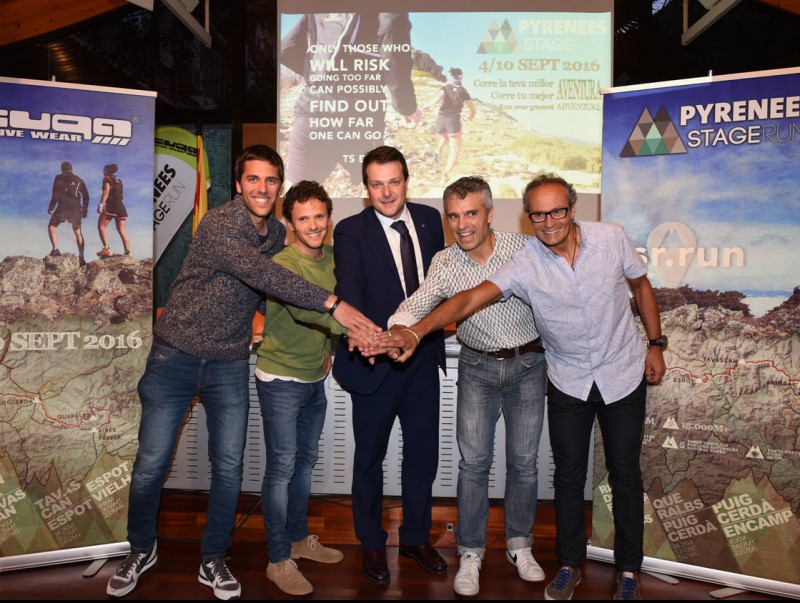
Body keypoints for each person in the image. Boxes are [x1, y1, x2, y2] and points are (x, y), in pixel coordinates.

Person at [105, 145, 379, 601]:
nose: (262, 188)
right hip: (176, 355)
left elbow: (275, 290)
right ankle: (140, 549)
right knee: (151, 465)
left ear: (280, 186)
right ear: (238, 184)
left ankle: (213, 558)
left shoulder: (275, 234)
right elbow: (264, 276)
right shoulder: (218, 224)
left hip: (229, 361)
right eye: (253, 179)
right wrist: (334, 306)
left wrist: (324, 337)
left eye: (271, 180)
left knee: (229, 468)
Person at [376, 173, 667, 601]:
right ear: (528, 217)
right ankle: (533, 561)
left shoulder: (596, 240)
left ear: (571, 209)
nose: (549, 221)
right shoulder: (515, 260)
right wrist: (411, 331)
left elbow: (640, 284)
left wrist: (656, 344)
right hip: (537, 374)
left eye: (557, 211)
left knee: (602, 471)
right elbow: (466, 300)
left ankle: (611, 568)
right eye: (539, 214)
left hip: (590, 370)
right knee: (540, 474)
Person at [386, 176, 546, 596]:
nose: (462, 224)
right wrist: (394, 331)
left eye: (471, 213)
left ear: (490, 214)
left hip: (528, 365)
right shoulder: (445, 262)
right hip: (476, 367)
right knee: (473, 464)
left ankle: (519, 545)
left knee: (524, 463)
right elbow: (417, 304)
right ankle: (471, 552)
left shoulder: (523, 249)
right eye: (454, 216)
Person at [332, 145, 447, 585]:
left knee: (422, 456)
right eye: (376, 184)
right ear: (366, 188)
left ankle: (417, 539)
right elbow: (352, 289)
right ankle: (373, 545)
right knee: (370, 460)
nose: (386, 192)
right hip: (375, 362)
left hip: (420, 360)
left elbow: (438, 286)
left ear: (406, 180)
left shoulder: (430, 220)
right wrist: (377, 341)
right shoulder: (350, 230)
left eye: (393, 181)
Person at [254, 180, 345, 596]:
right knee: (282, 468)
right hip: (281, 378)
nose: (313, 225)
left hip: (313, 377)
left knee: (304, 464)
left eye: (319, 216)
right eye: (303, 218)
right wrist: (357, 330)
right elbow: (309, 309)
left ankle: (297, 539)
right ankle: (278, 559)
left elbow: (327, 316)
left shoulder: (332, 258)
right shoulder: (283, 264)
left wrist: (328, 345)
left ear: (328, 218)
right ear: (289, 223)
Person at [280, 12, 422, 189]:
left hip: (312, 108)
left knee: (296, 196)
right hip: (360, 114)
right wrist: (406, 106)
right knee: (376, 193)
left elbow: (287, 48)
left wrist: (319, 79)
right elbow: (392, 37)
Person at [429, 68, 476, 184]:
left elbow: (437, 99)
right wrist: (470, 117)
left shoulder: (445, 87)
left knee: (444, 137)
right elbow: (473, 109)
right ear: (461, 77)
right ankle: (445, 176)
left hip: (441, 120)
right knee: (455, 150)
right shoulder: (463, 91)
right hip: (453, 120)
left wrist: (426, 105)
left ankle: (438, 149)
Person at [47, 161, 90, 266]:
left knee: (52, 226)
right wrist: (84, 210)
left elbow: (55, 193)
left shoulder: (59, 177)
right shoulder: (79, 180)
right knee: (78, 232)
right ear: (71, 169)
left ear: (62, 169)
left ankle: (55, 250)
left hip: (63, 207)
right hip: (76, 208)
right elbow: (86, 196)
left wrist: (51, 207)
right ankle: (81, 257)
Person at [96, 163, 130, 257]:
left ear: (107, 171)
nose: (103, 172)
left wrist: (101, 205)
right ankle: (128, 252)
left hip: (112, 205)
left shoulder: (107, 178)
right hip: (121, 206)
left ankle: (106, 249)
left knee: (101, 226)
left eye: (104, 169)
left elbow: (106, 192)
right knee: (122, 230)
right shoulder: (119, 180)